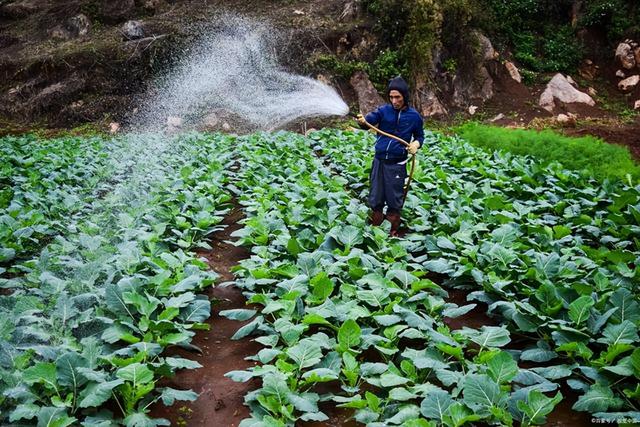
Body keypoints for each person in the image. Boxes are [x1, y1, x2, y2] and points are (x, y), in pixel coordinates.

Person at [357, 76, 424, 237]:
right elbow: (368, 123)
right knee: (376, 197)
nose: (394, 101)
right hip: (379, 161)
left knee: (394, 199)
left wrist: (415, 145)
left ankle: (392, 232)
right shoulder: (383, 111)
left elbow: (420, 136)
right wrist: (362, 121)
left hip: (397, 163)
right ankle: (376, 231)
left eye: (398, 97)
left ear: (404, 96)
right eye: (392, 97)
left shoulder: (414, 117)